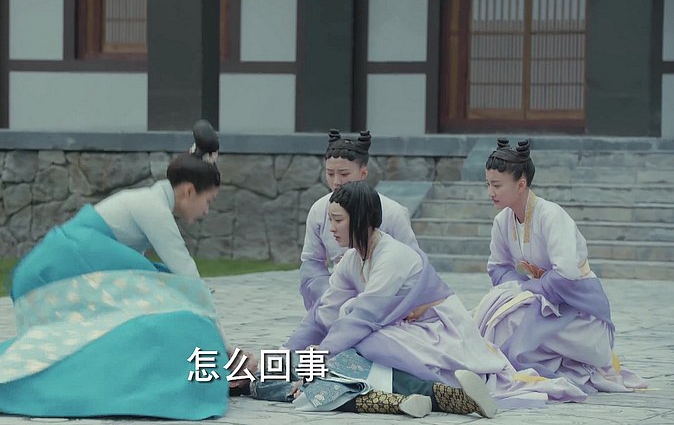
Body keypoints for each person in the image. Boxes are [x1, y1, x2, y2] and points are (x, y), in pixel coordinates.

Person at [0, 120, 241, 420]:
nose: (207, 211)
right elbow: (188, 279)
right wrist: (230, 352)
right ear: (188, 191)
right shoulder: (152, 208)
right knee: (178, 303)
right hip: (61, 265)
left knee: (152, 311)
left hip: (68, 261)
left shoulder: (150, 202)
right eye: (208, 201)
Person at [244, 181, 588, 418]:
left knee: (361, 344)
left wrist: (317, 356)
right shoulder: (352, 260)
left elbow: (362, 318)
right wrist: (285, 353)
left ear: (359, 219)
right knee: (341, 346)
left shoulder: (392, 256)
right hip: (401, 334)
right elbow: (322, 315)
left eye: (337, 220)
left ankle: (433, 391)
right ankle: (402, 396)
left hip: (438, 332)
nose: (330, 229)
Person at [472, 138, 648, 394]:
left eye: (497, 185)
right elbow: (498, 267)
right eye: (488, 184)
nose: (490, 192)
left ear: (521, 184)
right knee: (494, 316)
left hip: (579, 313)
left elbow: (566, 275)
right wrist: (520, 290)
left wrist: (530, 290)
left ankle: (573, 361)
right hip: (540, 303)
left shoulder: (552, 216)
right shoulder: (502, 222)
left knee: (509, 322)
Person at [299, 129, 423, 311]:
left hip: (385, 292)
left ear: (363, 173)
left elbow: (413, 261)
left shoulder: (392, 212)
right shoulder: (319, 210)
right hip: (338, 289)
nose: (336, 181)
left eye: (344, 174)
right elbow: (312, 262)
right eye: (330, 173)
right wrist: (326, 293)